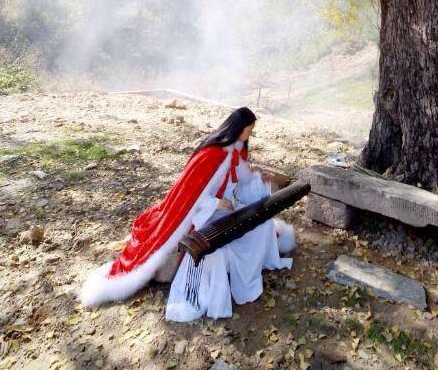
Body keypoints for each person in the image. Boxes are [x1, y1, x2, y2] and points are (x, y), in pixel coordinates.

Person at [78, 106, 295, 316]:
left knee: (260, 226)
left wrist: (259, 178)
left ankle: (251, 267)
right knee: (229, 240)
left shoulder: (234, 151)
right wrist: (215, 203)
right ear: (238, 128)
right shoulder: (212, 154)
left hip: (223, 211)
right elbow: (191, 194)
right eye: (249, 130)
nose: (250, 135)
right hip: (203, 215)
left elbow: (242, 182)